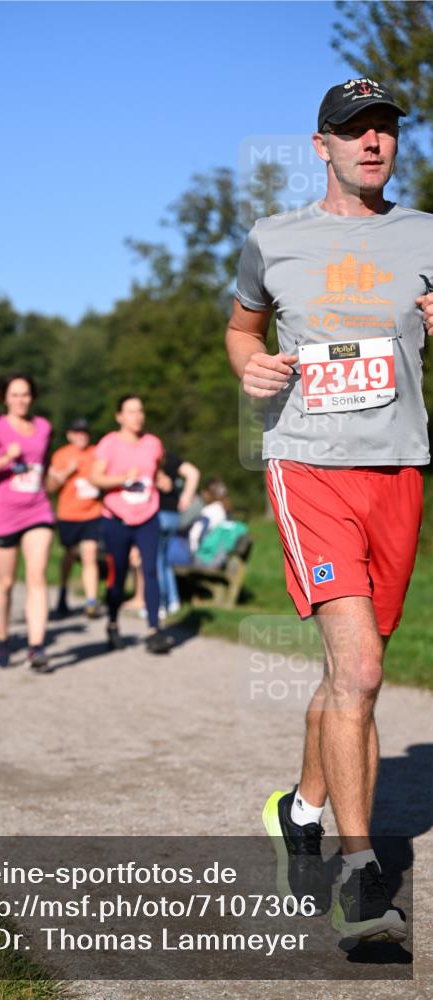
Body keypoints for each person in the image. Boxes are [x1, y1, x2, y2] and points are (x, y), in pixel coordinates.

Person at [226, 79, 432, 943]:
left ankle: (300, 806)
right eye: (354, 132)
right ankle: (360, 875)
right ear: (322, 146)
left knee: (353, 668)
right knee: (360, 675)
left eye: (384, 129)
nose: (371, 143)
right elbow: (242, 328)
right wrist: (250, 366)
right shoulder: (272, 239)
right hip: (307, 464)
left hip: (398, 466)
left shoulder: (425, 234)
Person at [0, 373, 54, 671]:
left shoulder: (44, 427)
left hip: (38, 510)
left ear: (32, 397)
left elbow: (42, 467)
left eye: (25, 394)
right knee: (5, 582)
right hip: (4, 514)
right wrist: (5, 458)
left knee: (37, 576)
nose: (20, 400)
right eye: (15, 395)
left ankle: (36, 647)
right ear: (5, 398)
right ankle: (2, 637)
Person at [90, 395, 172, 654]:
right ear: (119, 417)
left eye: (140, 411)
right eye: (131, 412)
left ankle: (154, 630)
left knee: (150, 570)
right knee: (120, 573)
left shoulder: (153, 444)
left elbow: (156, 471)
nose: (137, 416)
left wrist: (163, 480)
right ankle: (113, 623)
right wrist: (121, 478)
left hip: (148, 516)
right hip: (116, 518)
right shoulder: (109, 443)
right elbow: (95, 478)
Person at [47, 417, 102, 618]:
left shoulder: (97, 454)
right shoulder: (61, 455)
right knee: (69, 555)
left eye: (85, 433)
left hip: (92, 513)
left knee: (90, 555)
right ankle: (63, 592)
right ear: (70, 435)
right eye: (77, 433)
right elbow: (50, 488)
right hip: (68, 514)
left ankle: (91, 601)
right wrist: (66, 472)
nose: (82, 436)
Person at [156, 451, 200, 617]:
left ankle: (159, 603)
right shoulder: (171, 457)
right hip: (173, 516)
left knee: (156, 561)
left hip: (157, 514)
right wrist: (186, 497)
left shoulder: (149, 456)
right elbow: (193, 473)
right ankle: (173, 601)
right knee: (165, 561)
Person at [188, 478, 230, 554]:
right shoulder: (222, 510)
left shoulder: (207, 511)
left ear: (208, 493)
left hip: (203, 554)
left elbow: (193, 535)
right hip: (217, 552)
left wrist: (192, 553)